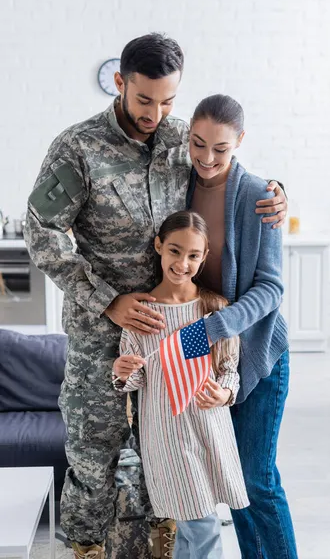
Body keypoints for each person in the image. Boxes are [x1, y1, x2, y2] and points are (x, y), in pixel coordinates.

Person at [24, 33, 288, 559]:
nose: (156, 113)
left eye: (168, 101)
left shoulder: (177, 139)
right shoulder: (77, 148)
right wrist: (106, 299)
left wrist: (275, 191)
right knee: (94, 458)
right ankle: (86, 549)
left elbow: (223, 173)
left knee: (162, 460)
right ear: (120, 83)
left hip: (173, 333)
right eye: (145, 99)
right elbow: (41, 232)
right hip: (103, 335)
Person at [184, 94, 298, 558]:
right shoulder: (178, 183)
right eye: (197, 144)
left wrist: (213, 329)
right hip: (208, 360)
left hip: (258, 352)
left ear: (240, 142)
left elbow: (271, 288)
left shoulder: (259, 196)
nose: (208, 159)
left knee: (256, 478)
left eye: (221, 149)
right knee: (230, 481)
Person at [113, 210, 249, 559]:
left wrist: (224, 393)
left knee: (192, 529)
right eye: (175, 251)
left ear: (204, 257)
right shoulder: (141, 313)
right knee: (200, 524)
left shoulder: (214, 309)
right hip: (167, 435)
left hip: (208, 428)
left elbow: (229, 368)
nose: (182, 263)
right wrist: (123, 370)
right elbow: (137, 378)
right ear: (159, 246)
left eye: (192, 255)